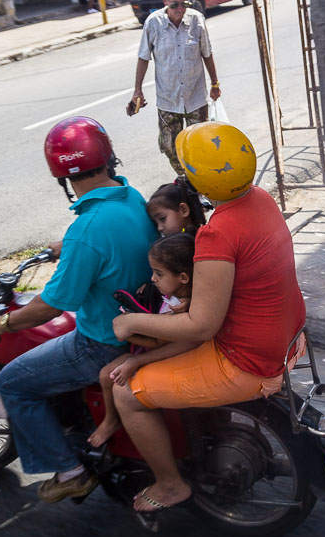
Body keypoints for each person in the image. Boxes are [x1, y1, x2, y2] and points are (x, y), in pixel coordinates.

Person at [110, 122, 306, 513]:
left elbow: (201, 325)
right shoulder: (260, 199)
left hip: (246, 362)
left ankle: (169, 485)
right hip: (290, 340)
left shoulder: (218, 232)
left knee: (124, 393)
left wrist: (132, 323)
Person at [0, 116, 157, 503]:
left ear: (63, 176)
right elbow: (111, 241)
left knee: (13, 383)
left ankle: (70, 471)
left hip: (102, 343)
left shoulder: (87, 230)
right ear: (108, 160)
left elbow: (50, 306)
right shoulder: (131, 197)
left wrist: (3, 322)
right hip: (146, 325)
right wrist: (64, 247)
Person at [88, 233, 199, 447]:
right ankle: (111, 419)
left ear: (183, 278)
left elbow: (157, 342)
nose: (152, 279)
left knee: (108, 376)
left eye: (158, 274)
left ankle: (111, 421)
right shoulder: (178, 298)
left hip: (164, 356)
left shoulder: (180, 309)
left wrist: (132, 330)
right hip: (154, 352)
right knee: (105, 375)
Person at [129, 0, 221, 176]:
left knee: (199, 145)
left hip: (195, 97)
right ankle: (185, 180)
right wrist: (137, 90)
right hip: (168, 99)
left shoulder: (196, 20)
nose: (180, 9)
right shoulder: (153, 23)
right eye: (175, 5)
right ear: (165, 2)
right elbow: (143, 57)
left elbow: (207, 53)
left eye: (184, 4)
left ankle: (202, 183)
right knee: (169, 145)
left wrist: (215, 83)